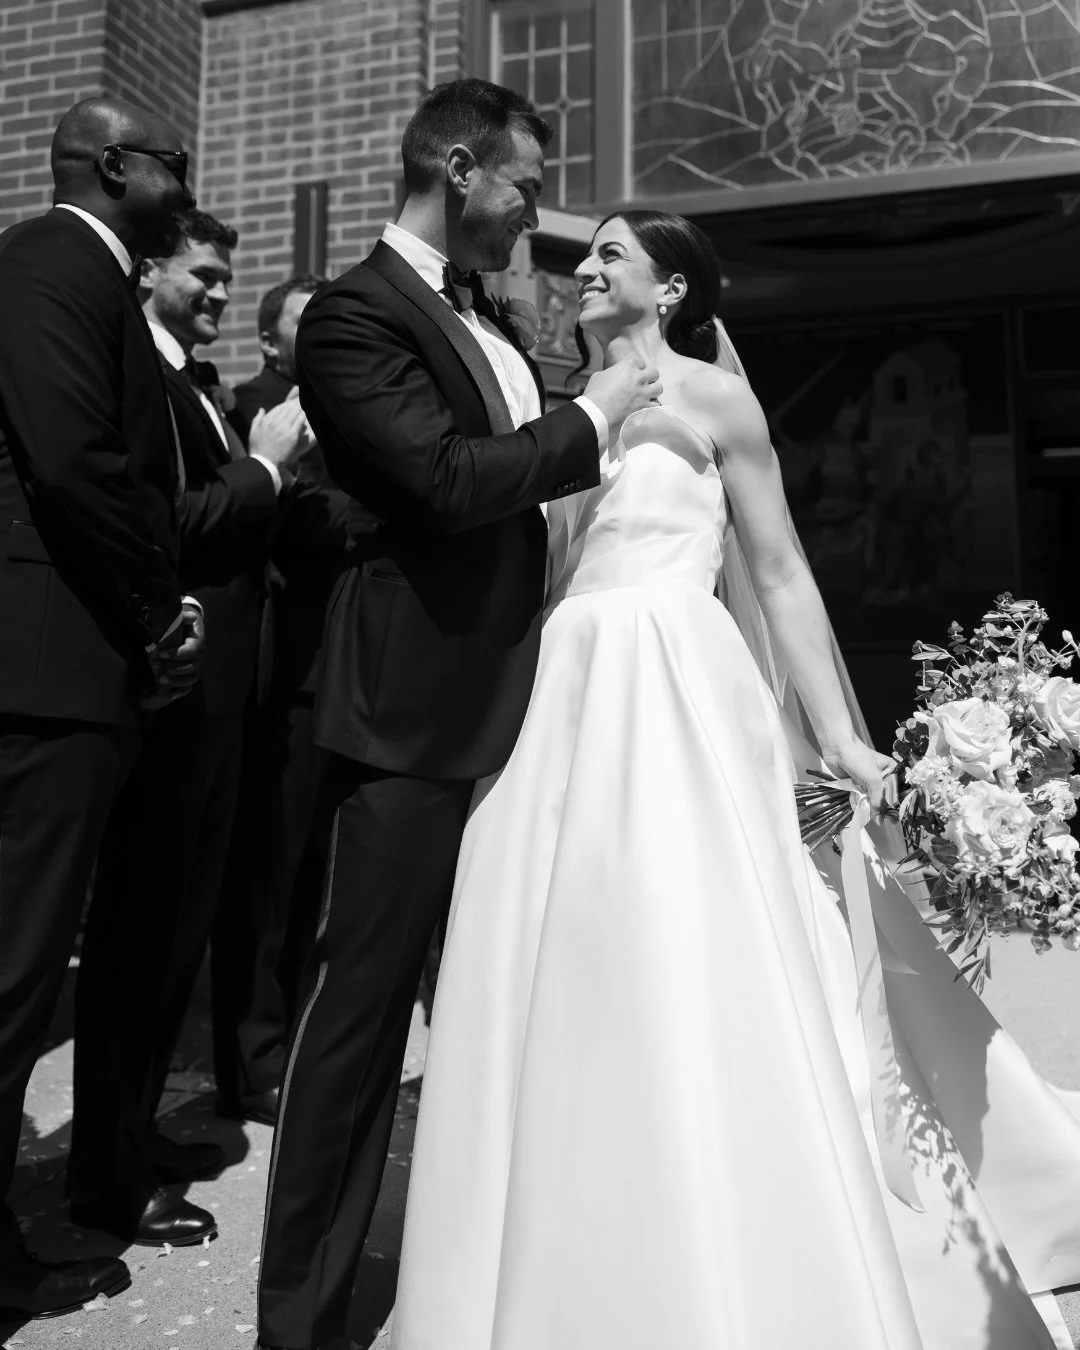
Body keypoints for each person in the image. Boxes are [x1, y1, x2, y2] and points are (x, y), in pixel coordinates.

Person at [389, 212, 1080, 1349]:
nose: (587, 270)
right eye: (587, 255)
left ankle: (739, 1212)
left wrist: (843, 737)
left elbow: (781, 575)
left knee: (690, 928)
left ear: (668, 291)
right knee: (561, 939)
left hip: (677, 684)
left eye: (611, 254)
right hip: (564, 690)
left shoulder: (716, 402)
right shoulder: (551, 406)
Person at [256, 79, 663, 1350]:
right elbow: (440, 482)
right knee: (362, 1021)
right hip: (410, 720)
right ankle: (302, 1318)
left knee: (505, 1011)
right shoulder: (352, 317)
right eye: (524, 180)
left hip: (522, 710)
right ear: (455, 164)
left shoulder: (489, 310)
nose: (536, 207)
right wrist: (595, 418)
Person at [66, 210, 338, 1249]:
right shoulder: (145, 378)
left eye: (229, 278)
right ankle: (107, 1175)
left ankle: (130, 1140)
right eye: (205, 276)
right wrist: (265, 468)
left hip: (226, 698)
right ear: (150, 277)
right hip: (176, 694)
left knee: (174, 939)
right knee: (141, 943)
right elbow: (158, 525)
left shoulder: (197, 385)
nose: (221, 292)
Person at [0, 97, 202, 1318]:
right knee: (16, 970)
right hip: (43, 670)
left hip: (72, 671)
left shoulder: (94, 273)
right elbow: (75, 462)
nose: (187, 178)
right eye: (172, 161)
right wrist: (151, 615)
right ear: (115, 164)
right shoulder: (47, 261)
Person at [212, 274, 348, 1129]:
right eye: (309, 325)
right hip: (280, 672)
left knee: (316, 879)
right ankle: (249, 1060)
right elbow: (280, 516)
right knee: (267, 877)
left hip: (339, 670)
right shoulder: (251, 411)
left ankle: (297, 1040)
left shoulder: (341, 409)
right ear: (271, 343)